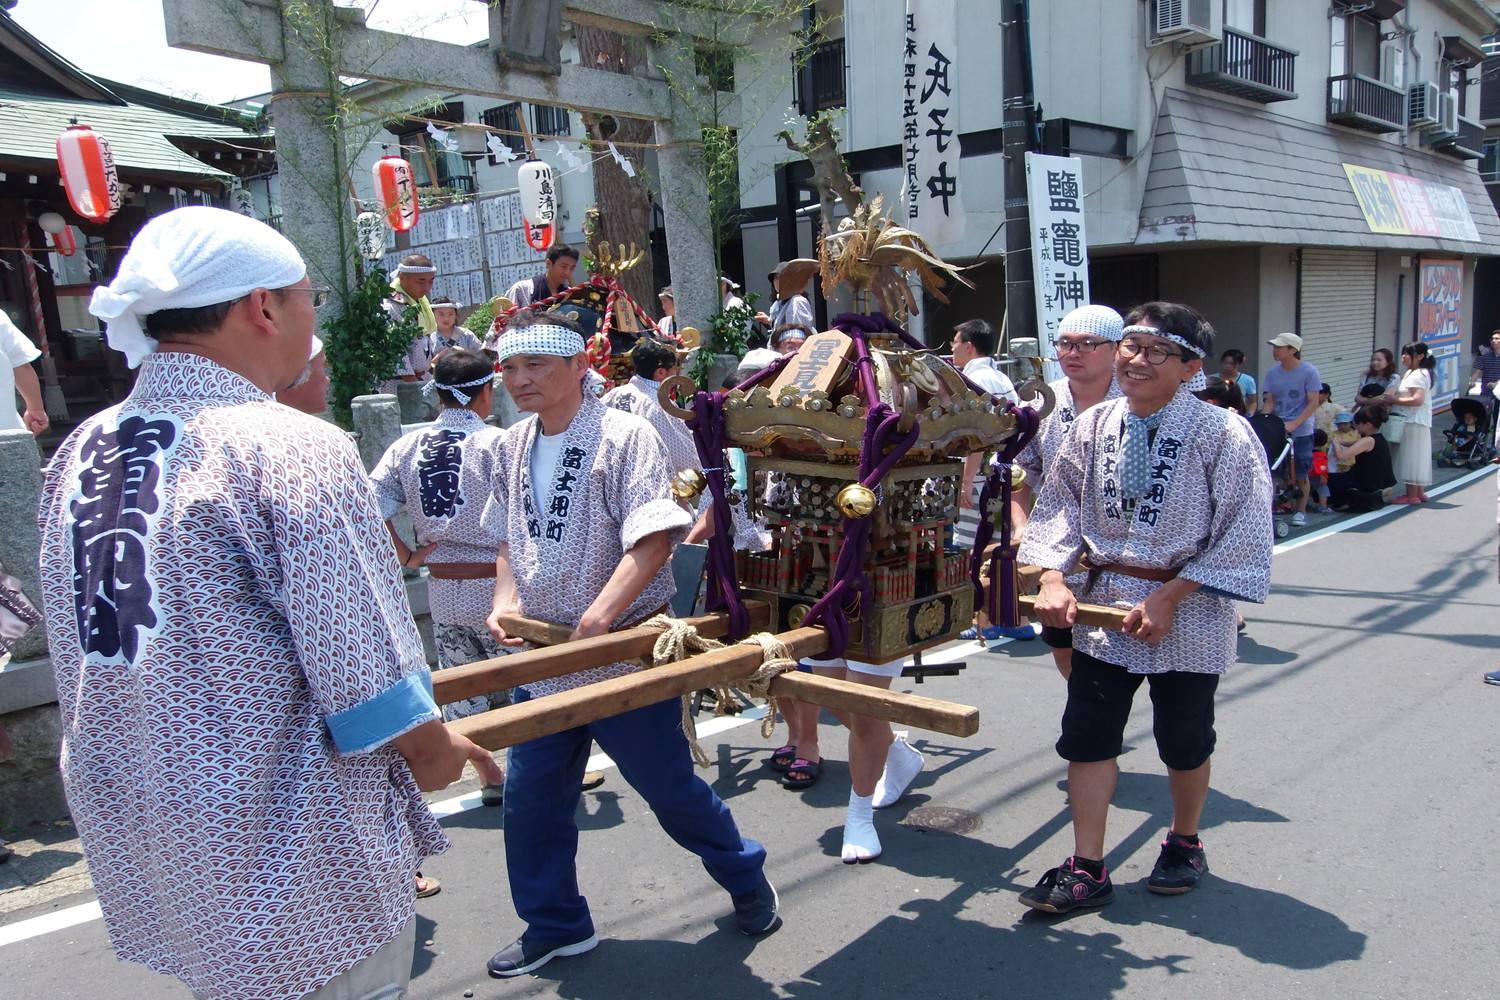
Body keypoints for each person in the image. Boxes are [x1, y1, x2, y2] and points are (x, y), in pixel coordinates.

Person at [40, 206, 501, 1000]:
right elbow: (363, 669)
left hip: (161, 840)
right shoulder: (285, 444)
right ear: (263, 306)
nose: (311, 315)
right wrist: (434, 754)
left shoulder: (87, 447)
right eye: (307, 298)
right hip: (288, 847)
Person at [480, 309, 778, 978]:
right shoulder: (510, 444)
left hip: (622, 653)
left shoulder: (624, 435)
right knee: (531, 801)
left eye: (537, 365)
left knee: (670, 791)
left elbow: (654, 539)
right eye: (510, 368)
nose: (520, 379)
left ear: (579, 365)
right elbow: (505, 536)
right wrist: (504, 599)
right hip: (547, 656)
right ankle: (555, 924)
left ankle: (745, 875)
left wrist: (600, 619)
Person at [1016, 301, 1273, 914]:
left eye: (1158, 351)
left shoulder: (1223, 433)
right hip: (1102, 607)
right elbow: (1060, 506)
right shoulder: (1092, 425)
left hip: (1190, 609)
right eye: (1131, 346)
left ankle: (1185, 841)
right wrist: (1051, 576)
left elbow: (1245, 527)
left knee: (1184, 739)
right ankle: (1087, 867)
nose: (1137, 359)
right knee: (1088, 737)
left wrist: (1171, 594)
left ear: (1191, 367)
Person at [370, 348, 513, 798]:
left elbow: (369, 505)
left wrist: (408, 555)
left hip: (444, 585)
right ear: (485, 392)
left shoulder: (406, 446)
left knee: (462, 685)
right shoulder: (499, 443)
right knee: (524, 681)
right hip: (499, 585)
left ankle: (489, 773)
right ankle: (537, 772)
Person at [1004, 304, 1124, 675]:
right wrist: (1021, 526)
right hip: (1059, 549)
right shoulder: (1038, 405)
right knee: (1067, 648)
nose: (1073, 353)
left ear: (1117, 349)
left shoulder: (1139, 401)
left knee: (1133, 651)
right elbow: (1018, 472)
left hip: (1127, 552)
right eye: (1065, 344)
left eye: (1087, 344)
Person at [949, 319, 1027, 636]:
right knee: (998, 544)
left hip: (981, 477)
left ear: (968, 346)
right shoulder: (1000, 377)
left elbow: (977, 435)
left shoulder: (973, 379)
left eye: (955, 342)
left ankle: (985, 621)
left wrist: (966, 481)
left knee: (976, 547)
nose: (952, 347)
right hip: (1004, 474)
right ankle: (1015, 618)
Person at [601, 337, 697, 479]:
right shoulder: (660, 405)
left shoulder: (612, 395)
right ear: (661, 372)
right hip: (641, 478)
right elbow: (684, 456)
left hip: (606, 473)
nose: (679, 372)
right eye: (676, 367)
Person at [1260, 332, 1321, 527]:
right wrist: (1264, 423)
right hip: (1278, 429)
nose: (1274, 350)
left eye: (1279, 347)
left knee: (1301, 471)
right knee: (1272, 470)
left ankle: (1301, 511)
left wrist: (1296, 423)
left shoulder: (1309, 371)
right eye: (1274, 346)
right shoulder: (1272, 372)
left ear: (1293, 350)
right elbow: (1270, 400)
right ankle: (1268, 510)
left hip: (1301, 431)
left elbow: (1313, 402)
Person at [1385, 340, 1435, 504]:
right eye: (1403, 353)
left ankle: (1411, 495)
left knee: (1410, 457)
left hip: (1413, 420)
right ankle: (1419, 492)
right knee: (1416, 456)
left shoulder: (1417, 375)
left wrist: (1394, 399)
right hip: (1416, 420)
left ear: (1420, 356)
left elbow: (1417, 400)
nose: (1404, 357)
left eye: (1408, 354)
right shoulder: (1416, 372)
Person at [380, 253, 439, 393]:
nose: (426, 287)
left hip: (422, 377)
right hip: (401, 382)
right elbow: (395, 350)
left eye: (430, 281)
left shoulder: (421, 302)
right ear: (402, 278)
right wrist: (412, 383)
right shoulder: (390, 306)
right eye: (420, 282)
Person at [1328, 406, 1396, 512]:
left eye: (1358, 424)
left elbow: (1341, 456)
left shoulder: (1367, 441)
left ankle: (1342, 504)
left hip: (1366, 480)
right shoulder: (1378, 438)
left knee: (1334, 479)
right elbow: (1354, 444)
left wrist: (1336, 444)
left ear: (1368, 425)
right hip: (1378, 478)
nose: (1355, 426)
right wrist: (1341, 441)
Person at [1, 310, 48, 435]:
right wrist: (35, 408)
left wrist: (35, 409)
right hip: (6, 430)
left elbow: (20, 365)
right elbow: (20, 365)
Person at [503, 243, 580, 309]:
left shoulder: (569, 294)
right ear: (549, 263)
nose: (567, 272)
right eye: (564, 267)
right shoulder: (522, 289)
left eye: (572, 268)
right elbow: (505, 319)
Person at [757, 261, 815, 331]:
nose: (778, 281)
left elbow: (798, 332)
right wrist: (770, 321)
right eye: (776, 278)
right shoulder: (781, 302)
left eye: (783, 277)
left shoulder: (797, 301)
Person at [1469, 330, 1500, 421]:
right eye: (1492, 339)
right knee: (1483, 417)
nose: (1494, 341)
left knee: (1496, 417)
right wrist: (1472, 381)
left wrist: (1495, 384)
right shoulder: (1485, 357)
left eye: (1497, 339)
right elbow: (1478, 372)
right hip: (1486, 393)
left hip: (1498, 393)